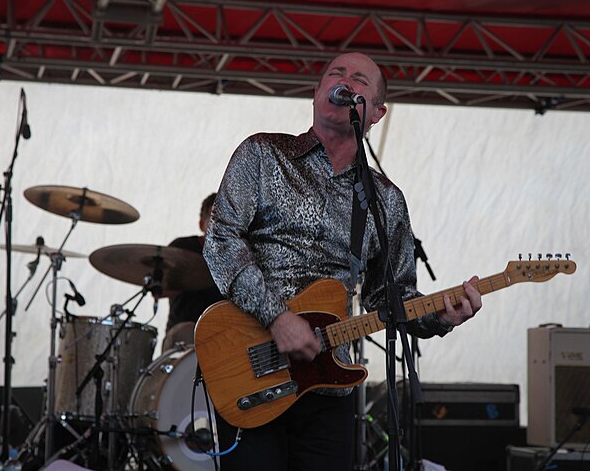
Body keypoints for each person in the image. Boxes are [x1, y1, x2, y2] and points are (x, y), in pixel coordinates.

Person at [203, 52, 482, 471]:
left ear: (377, 112)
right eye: (336, 74)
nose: (345, 80)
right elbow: (221, 240)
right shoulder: (263, 154)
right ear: (317, 95)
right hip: (252, 367)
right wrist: (279, 319)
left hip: (329, 385)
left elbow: (389, 295)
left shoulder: (385, 199)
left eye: (359, 79)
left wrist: (440, 317)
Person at [162, 193, 223, 352]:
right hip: (185, 334)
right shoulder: (182, 248)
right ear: (202, 224)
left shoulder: (242, 257)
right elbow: (161, 288)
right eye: (214, 217)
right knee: (188, 333)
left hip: (225, 333)